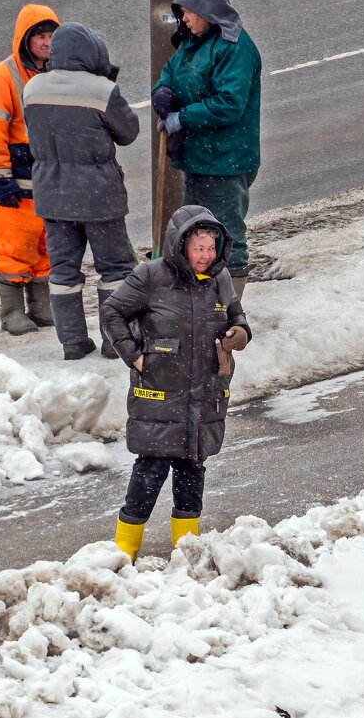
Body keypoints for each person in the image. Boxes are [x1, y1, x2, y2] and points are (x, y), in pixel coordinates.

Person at [100, 205, 251, 561]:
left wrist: (239, 335)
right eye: (199, 248)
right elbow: (113, 312)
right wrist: (134, 355)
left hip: (205, 392)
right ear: (181, 245)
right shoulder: (151, 276)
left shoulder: (220, 279)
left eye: (211, 248)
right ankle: (124, 549)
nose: (206, 256)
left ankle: (187, 549)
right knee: (150, 470)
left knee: (192, 469)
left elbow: (237, 316)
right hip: (159, 391)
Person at [23, 22, 140, 360]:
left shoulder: (32, 89)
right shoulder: (101, 90)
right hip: (98, 196)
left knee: (62, 271)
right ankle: (114, 341)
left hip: (52, 196)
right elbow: (128, 131)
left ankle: (73, 341)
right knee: (115, 269)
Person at [152, 0, 262, 302]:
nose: (183, 19)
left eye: (187, 12)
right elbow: (172, 71)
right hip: (199, 157)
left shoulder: (235, 48)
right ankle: (203, 298)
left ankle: (230, 304)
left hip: (226, 160)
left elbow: (229, 104)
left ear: (207, 12)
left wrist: (181, 117)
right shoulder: (193, 42)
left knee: (225, 233)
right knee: (198, 233)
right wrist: (162, 90)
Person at [0, 4, 60, 335]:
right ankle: (12, 311)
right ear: (25, 39)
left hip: (48, 182)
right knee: (13, 247)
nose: (46, 42)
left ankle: (40, 307)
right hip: (17, 184)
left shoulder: (57, 73)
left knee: (45, 245)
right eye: (40, 36)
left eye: (52, 36)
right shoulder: (1, 78)